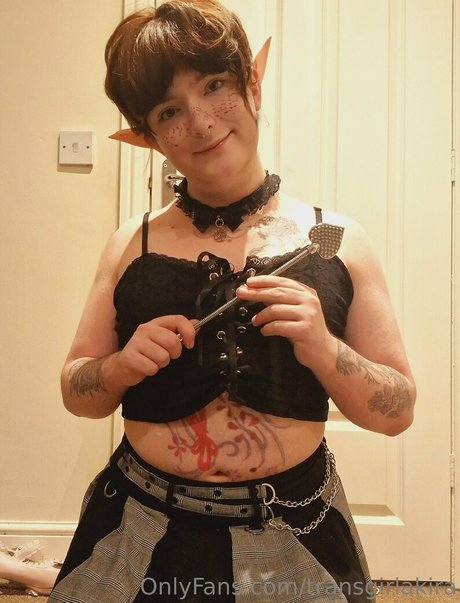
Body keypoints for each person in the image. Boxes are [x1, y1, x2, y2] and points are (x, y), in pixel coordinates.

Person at [49, 1, 416, 601]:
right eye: (169, 111)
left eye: (215, 85)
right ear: (148, 138)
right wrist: (118, 367)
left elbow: (396, 411)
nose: (200, 122)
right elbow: (75, 391)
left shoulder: (340, 239)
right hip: (137, 526)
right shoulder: (128, 244)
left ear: (252, 84)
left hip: (297, 531)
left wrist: (325, 349)